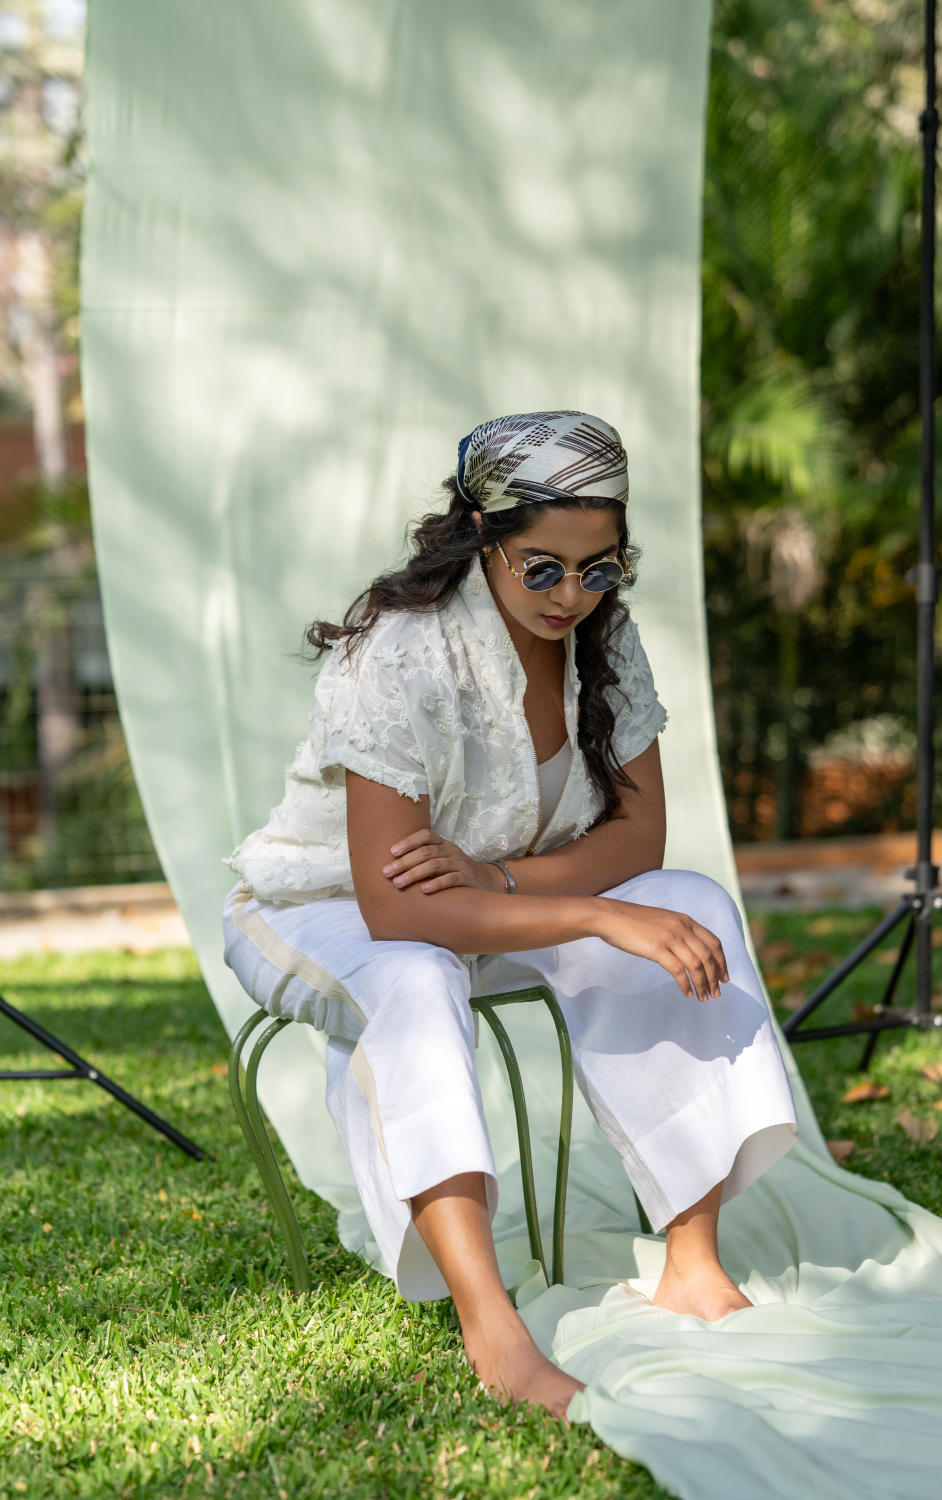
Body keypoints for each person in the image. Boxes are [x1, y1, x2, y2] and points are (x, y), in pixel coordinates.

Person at [221, 409, 798, 1420]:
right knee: (414, 977)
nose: (573, 595)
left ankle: (692, 1262)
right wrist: (593, 918)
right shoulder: (400, 654)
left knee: (689, 902)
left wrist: (505, 883)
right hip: (322, 909)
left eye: (599, 568)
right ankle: (491, 1324)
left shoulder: (607, 644)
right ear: (483, 538)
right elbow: (395, 908)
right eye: (543, 568)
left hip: (492, 896)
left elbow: (638, 841)